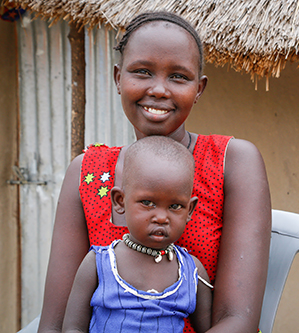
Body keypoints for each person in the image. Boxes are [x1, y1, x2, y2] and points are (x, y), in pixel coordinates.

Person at [36, 11, 271, 333]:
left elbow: (237, 320)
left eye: (178, 76)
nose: (159, 89)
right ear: (119, 78)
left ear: (199, 88)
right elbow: (55, 322)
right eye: (142, 71)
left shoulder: (232, 161)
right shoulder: (88, 172)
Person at [62, 136, 212, 333]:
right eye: (147, 203)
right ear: (120, 201)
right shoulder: (98, 264)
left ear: (190, 210)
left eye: (175, 206)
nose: (161, 217)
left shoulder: (192, 272)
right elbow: (72, 328)